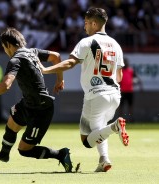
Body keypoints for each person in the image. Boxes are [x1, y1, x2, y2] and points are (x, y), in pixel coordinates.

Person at [38, 8, 129, 172]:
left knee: (87, 140)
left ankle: (116, 127)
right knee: (99, 129)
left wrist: (45, 70)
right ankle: (104, 160)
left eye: (86, 23)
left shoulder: (87, 42)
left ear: (94, 23)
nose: (84, 27)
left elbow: (70, 63)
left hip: (96, 96)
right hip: (115, 95)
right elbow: (120, 76)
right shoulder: (116, 45)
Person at [0, 27, 74, 173]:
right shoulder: (32, 52)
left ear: (9, 45)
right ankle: (4, 154)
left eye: (4, 47)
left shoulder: (16, 59)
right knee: (12, 122)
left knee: (24, 150)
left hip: (41, 110)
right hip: (28, 103)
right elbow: (56, 56)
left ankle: (60, 154)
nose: (5, 51)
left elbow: (6, 85)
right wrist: (59, 80)